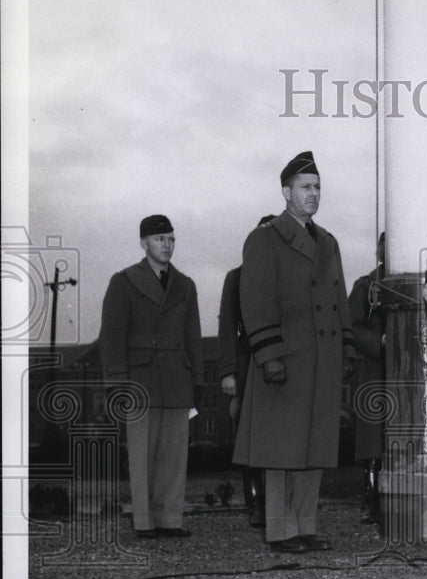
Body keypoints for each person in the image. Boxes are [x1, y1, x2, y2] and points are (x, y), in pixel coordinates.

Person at [232, 151, 357, 553]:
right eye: (306, 187)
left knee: (314, 448)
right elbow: (255, 302)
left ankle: (305, 526)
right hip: (286, 360)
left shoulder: (330, 242)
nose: (314, 194)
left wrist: (348, 348)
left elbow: (339, 300)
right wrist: (269, 356)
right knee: (281, 450)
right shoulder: (265, 239)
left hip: (322, 360)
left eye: (318, 186)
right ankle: (280, 531)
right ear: (286, 192)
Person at [99, 214, 204, 538]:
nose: (167, 245)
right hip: (139, 380)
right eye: (160, 240)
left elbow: (193, 336)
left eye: (171, 239)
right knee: (141, 456)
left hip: (175, 379)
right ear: (144, 243)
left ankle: (170, 519)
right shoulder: (124, 281)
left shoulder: (185, 285)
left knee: (174, 455)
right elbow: (111, 336)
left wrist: (198, 379)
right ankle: (144, 521)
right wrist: (116, 381)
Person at [217, 215, 277, 528]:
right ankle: (256, 502)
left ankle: (280, 506)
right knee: (248, 433)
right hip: (248, 364)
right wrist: (228, 373)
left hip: (283, 366)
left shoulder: (287, 276)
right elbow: (227, 326)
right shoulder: (236, 278)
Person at [347, 232, 386, 525]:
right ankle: (373, 503)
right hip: (374, 371)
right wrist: (380, 341)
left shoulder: (413, 284)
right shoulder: (366, 286)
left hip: (404, 376)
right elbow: (350, 327)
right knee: (373, 441)